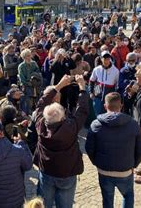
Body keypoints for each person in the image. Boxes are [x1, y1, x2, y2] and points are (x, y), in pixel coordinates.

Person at [34, 75, 89, 208]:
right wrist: (82, 88)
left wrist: (58, 85)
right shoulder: (71, 127)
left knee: (44, 204)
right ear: (63, 116)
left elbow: (41, 104)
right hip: (67, 173)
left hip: (47, 171)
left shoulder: (40, 125)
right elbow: (82, 109)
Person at [85, 92, 141, 208]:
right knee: (128, 196)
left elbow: (89, 148)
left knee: (107, 199)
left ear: (105, 106)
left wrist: (97, 163)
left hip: (104, 170)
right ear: (121, 106)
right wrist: (133, 164)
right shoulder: (133, 124)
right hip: (125, 170)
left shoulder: (95, 124)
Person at [89, 51, 119, 116]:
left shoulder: (116, 71)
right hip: (97, 97)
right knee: (98, 115)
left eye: (108, 59)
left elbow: (117, 85)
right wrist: (91, 92)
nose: (106, 61)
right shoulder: (96, 69)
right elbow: (91, 81)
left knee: (108, 116)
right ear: (101, 59)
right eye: (104, 58)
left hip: (109, 99)